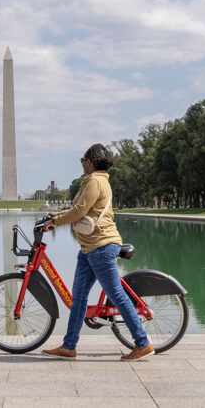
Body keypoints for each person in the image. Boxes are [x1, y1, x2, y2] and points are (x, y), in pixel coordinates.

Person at [41, 143, 155, 361]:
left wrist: (55, 221)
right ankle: (69, 346)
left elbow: (80, 211)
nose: (82, 164)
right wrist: (59, 214)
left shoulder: (94, 181)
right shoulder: (100, 180)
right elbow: (83, 209)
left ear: (91, 162)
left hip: (101, 246)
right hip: (90, 248)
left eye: (83, 160)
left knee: (118, 296)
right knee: (79, 298)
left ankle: (142, 343)